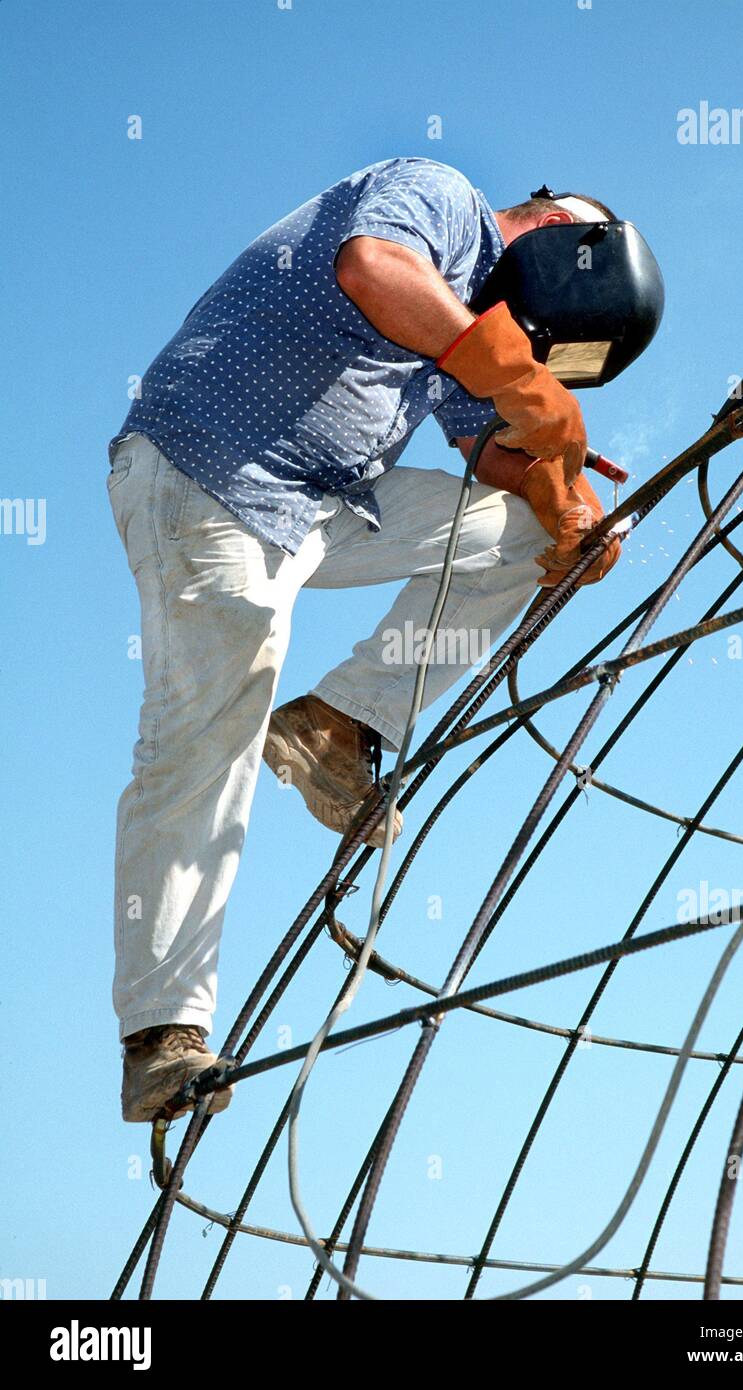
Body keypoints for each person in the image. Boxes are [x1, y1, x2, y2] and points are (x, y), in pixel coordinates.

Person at [107, 157, 622, 1122]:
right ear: (562, 235)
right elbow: (371, 268)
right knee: (203, 744)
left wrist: (568, 506)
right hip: (210, 479)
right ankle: (162, 1031)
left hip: (321, 504)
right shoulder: (438, 198)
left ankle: (340, 723)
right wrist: (518, 377)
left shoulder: (472, 315)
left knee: (515, 537)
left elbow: (487, 451)